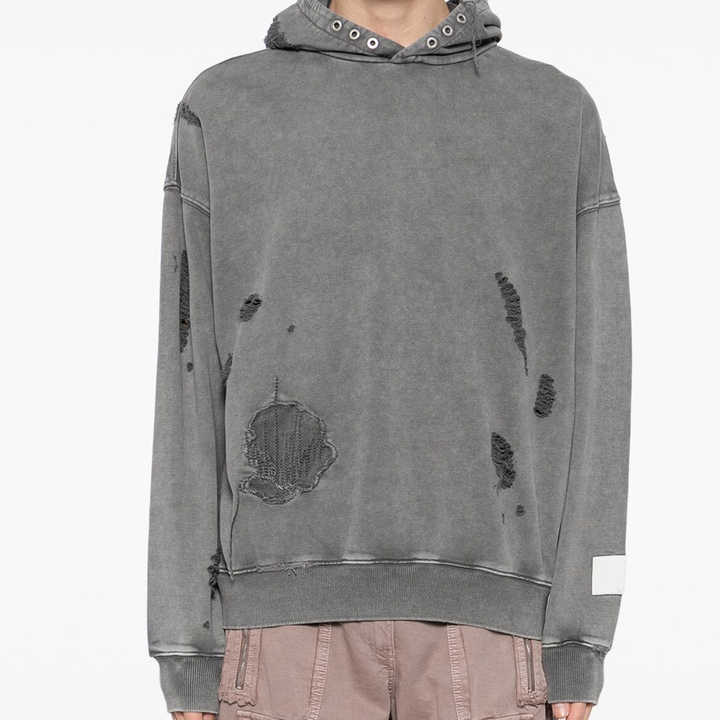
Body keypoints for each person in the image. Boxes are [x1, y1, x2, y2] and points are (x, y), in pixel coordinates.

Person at [147, 1, 631, 719]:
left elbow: (601, 379)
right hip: (278, 633)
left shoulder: (554, 114)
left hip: (498, 633)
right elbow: (187, 374)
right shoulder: (226, 106)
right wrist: (184, 639)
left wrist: (581, 633)